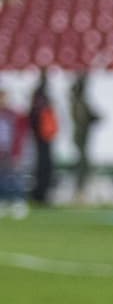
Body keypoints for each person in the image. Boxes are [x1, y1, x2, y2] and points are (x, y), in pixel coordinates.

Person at [69, 71, 103, 203]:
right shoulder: (79, 102)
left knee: (83, 164)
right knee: (83, 165)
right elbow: (85, 119)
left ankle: (81, 191)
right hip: (81, 137)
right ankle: (80, 191)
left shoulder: (78, 101)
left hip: (82, 137)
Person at [27, 68, 57, 206]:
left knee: (43, 166)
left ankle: (40, 194)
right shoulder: (41, 98)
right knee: (44, 166)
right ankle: (40, 195)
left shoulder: (38, 98)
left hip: (43, 136)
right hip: (43, 137)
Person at [0, 87, 27, 219]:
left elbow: (20, 134)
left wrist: (17, 151)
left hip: (11, 150)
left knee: (15, 176)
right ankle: (3, 201)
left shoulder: (13, 115)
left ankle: (18, 201)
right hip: (1, 151)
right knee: (2, 178)